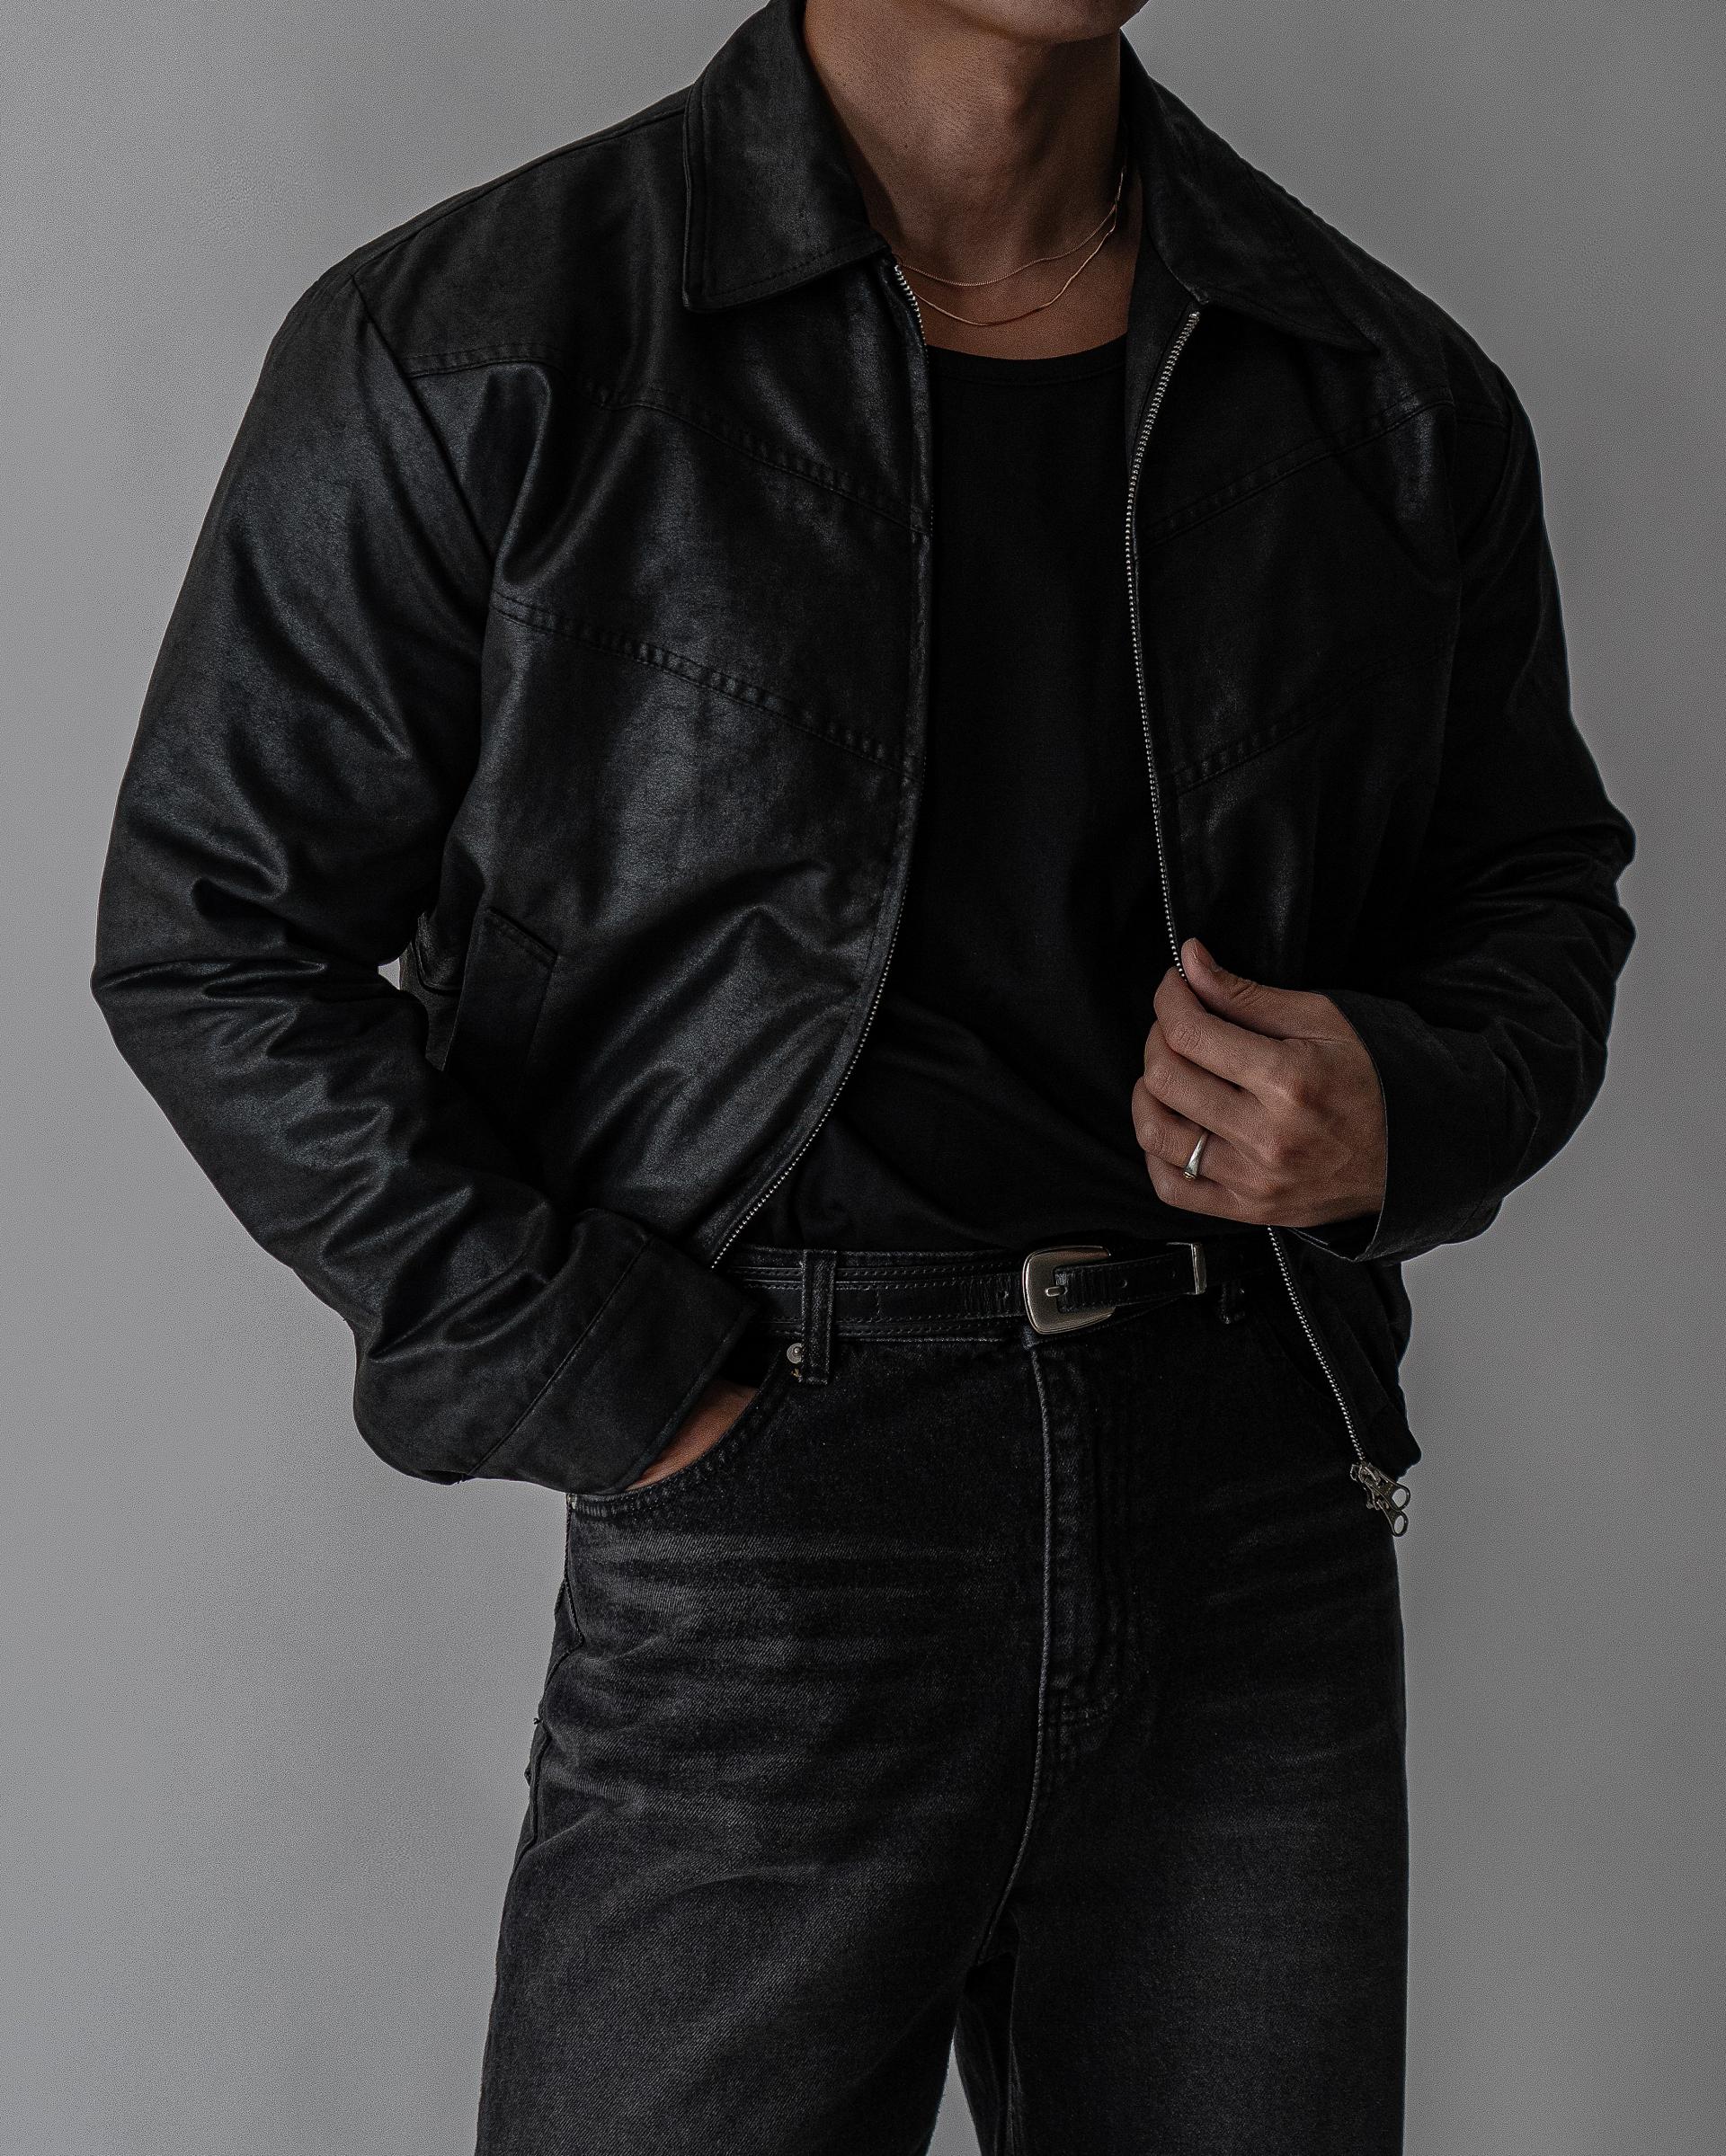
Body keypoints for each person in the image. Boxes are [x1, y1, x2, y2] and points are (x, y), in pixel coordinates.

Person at [91, 0, 1636, 2145]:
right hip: (773, 1502)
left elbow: (1535, 888)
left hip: (1244, 1507)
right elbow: (213, 931)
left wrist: (1412, 1100)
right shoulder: (481, 343)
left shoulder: (1378, 382)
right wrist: (590, 1374)